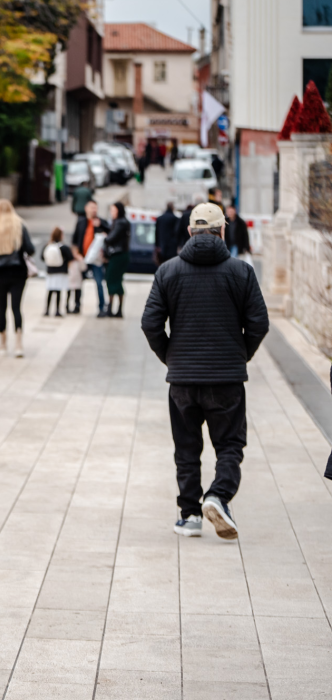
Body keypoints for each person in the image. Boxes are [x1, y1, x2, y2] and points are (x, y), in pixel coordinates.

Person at [140, 203, 268, 541]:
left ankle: (190, 515)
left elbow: (150, 323)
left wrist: (171, 357)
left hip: (182, 380)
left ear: (189, 232)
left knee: (186, 448)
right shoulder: (241, 272)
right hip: (226, 378)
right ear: (223, 231)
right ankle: (218, 495)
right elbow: (259, 323)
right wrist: (242, 355)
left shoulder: (168, 271)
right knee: (229, 445)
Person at [0, 200, 35, 357]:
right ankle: (18, 344)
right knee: (16, 308)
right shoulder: (19, 226)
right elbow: (30, 249)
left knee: (1, 308)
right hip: (17, 272)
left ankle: (2, 343)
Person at [73, 200, 108, 317]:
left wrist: (100, 226)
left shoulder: (101, 222)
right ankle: (76, 305)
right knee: (78, 283)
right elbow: (75, 240)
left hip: (96, 259)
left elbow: (109, 235)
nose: (94, 210)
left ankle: (102, 307)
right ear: (86, 208)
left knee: (99, 283)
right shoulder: (81, 222)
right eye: (91, 208)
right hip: (82, 258)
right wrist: (76, 254)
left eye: (95, 208)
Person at [103, 201, 131, 318]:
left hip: (118, 255)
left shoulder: (120, 222)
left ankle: (114, 308)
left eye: (113, 210)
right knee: (116, 280)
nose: (111, 213)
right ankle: (115, 309)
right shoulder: (121, 222)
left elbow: (111, 237)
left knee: (113, 280)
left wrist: (105, 238)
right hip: (120, 254)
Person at [41, 227, 73, 317]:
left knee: (50, 291)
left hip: (50, 271)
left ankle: (47, 310)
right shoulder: (63, 247)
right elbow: (71, 257)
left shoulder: (48, 246)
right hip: (61, 271)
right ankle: (57, 310)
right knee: (58, 291)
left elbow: (42, 257)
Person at [154, 201, 180, 266]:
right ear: (172, 207)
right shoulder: (175, 219)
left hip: (162, 246)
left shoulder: (160, 218)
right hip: (172, 247)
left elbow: (156, 233)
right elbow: (177, 233)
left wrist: (157, 245)